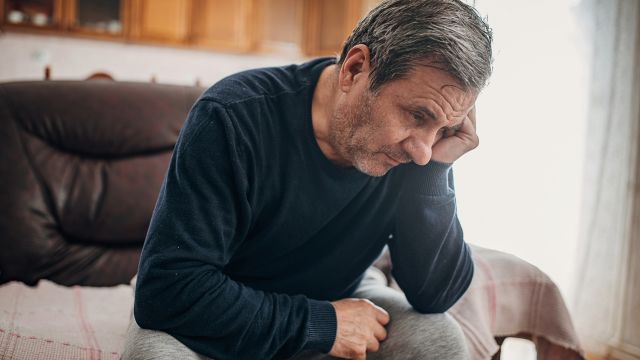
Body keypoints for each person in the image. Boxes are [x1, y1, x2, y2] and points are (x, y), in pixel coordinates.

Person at [123, 0, 492, 359]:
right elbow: (168, 290)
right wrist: (320, 324)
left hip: (336, 297)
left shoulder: (418, 152)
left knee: (438, 339)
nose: (423, 150)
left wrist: (434, 174)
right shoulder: (232, 117)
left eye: (443, 128)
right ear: (355, 69)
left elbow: (435, 296)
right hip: (225, 306)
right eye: (417, 115)